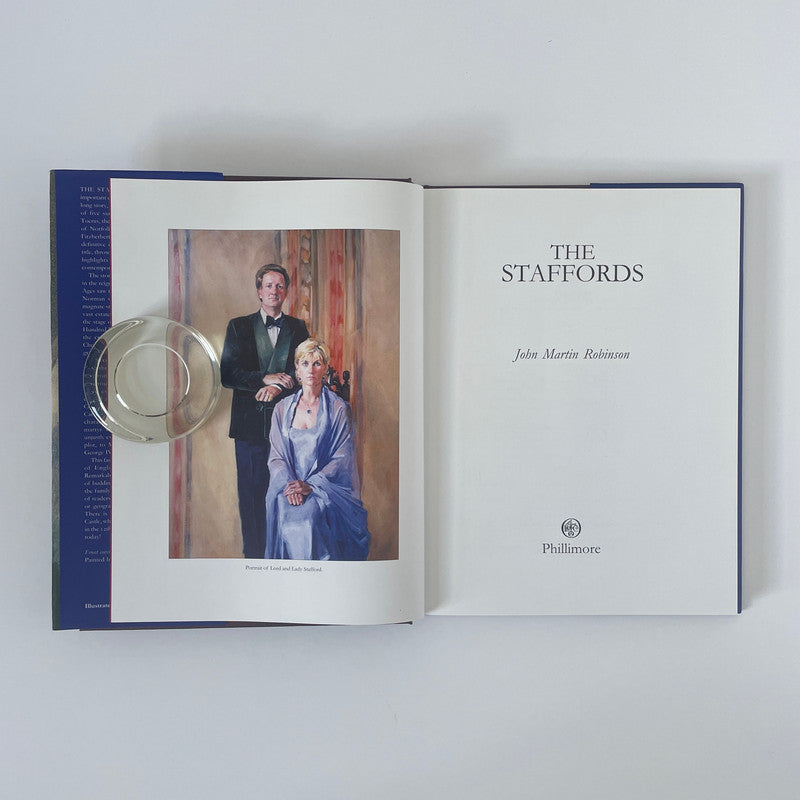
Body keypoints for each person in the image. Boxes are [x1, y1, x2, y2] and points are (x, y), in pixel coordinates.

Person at [220, 264, 309, 559]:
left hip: (287, 428)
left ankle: (284, 561)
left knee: (286, 495)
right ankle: (254, 562)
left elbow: (302, 372)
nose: (274, 291)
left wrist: (277, 387)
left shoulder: (298, 328)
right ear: (259, 291)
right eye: (268, 285)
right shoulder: (238, 326)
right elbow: (228, 374)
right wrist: (264, 378)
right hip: (248, 429)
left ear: (286, 292)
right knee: (251, 499)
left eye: (280, 286)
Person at [264, 338, 370, 560]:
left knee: (308, 520)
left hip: (325, 490)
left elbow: (342, 458)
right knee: (286, 514)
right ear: (297, 370)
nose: (311, 370)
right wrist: (291, 486)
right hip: (287, 489)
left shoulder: (339, 408)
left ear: (325, 368)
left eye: (317, 363)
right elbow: (276, 458)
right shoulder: (281, 409)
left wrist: (310, 485)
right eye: (305, 363)